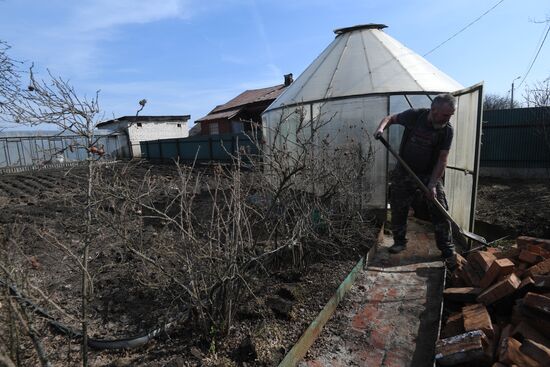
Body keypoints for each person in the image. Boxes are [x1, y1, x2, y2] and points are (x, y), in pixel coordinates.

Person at [374, 93, 456, 259]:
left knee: (440, 209)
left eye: (451, 115)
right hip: (404, 170)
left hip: (429, 174)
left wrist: (432, 184)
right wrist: (381, 128)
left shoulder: (447, 131)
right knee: (398, 206)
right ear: (434, 110)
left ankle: (447, 248)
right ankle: (399, 242)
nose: (448, 118)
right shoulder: (415, 116)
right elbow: (390, 118)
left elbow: (442, 160)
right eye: (446, 115)